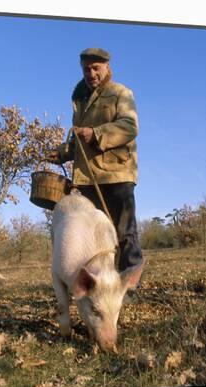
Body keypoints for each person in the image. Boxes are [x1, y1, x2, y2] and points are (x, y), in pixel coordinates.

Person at [48, 47, 143, 276]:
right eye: (86, 69)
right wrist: (62, 153)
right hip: (88, 178)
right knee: (92, 235)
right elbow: (80, 140)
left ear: (107, 67)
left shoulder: (121, 93)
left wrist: (97, 133)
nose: (91, 73)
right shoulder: (80, 101)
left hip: (116, 174)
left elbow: (130, 127)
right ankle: (99, 284)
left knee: (124, 234)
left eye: (96, 68)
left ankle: (128, 286)